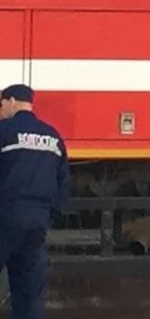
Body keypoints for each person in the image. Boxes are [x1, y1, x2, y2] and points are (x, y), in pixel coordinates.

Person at [0, 84, 70, 319]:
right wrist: (50, 216)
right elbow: (63, 183)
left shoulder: (4, 131)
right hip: (37, 221)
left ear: (10, 102)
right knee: (29, 292)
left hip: (5, 216)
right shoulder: (53, 136)